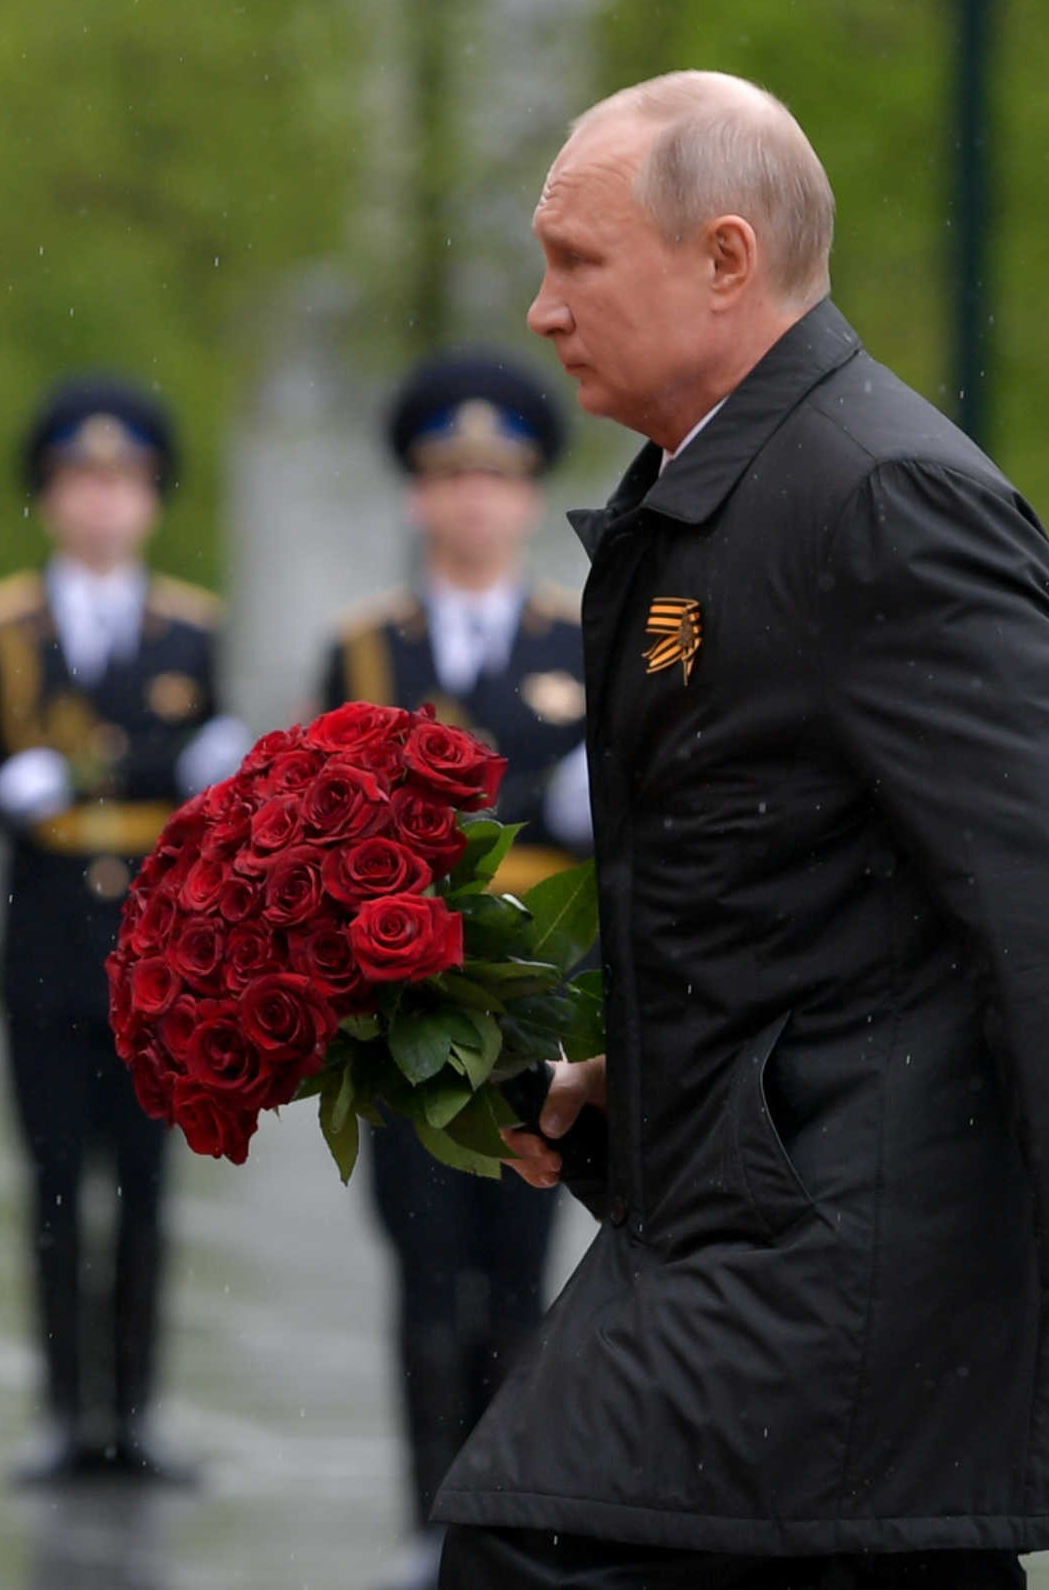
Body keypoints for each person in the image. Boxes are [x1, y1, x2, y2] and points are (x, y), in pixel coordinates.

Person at [435, 71, 1049, 1588]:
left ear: (726, 260)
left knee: (537, 1540)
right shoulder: (722, 487)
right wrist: (637, 1084)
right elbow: (794, 892)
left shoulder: (877, 494)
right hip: (769, 1209)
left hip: (844, 1245)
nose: (542, 310)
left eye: (579, 262)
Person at [322, 352, 591, 1589]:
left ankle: (508, 1512)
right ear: (420, 496)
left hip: (532, 987)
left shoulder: (581, 638)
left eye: (498, 477)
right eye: (451, 477)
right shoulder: (370, 647)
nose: (474, 500)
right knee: (428, 1261)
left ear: (530, 495)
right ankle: (429, 1510)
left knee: (520, 1264)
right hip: (409, 990)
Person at [0, 377, 247, 1482]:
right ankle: (62, 1408)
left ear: (152, 501)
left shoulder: (190, 627)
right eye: (81, 481)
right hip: (43, 936)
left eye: (123, 483)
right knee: (52, 1183)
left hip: (158, 950)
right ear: (49, 497)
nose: (102, 504)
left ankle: (133, 1409)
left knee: (143, 1189)